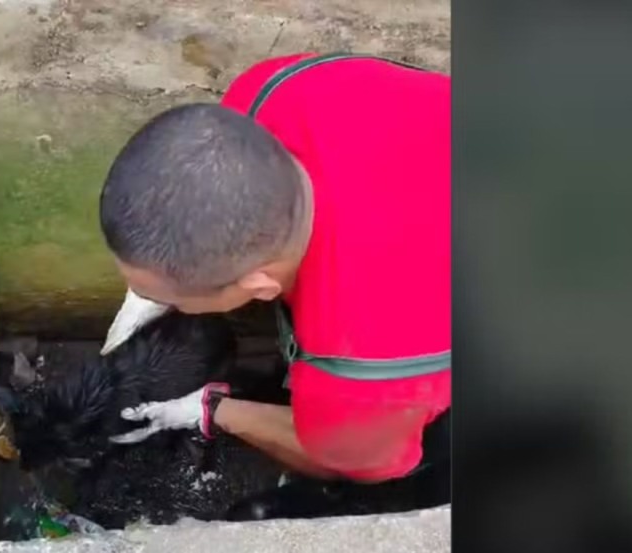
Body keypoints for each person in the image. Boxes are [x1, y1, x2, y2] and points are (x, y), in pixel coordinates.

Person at [96, 52, 450, 484]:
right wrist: (149, 285)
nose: (150, 301)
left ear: (259, 285)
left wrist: (213, 410)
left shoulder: (358, 370)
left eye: (164, 298)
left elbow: (351, 463)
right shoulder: (269, 94)